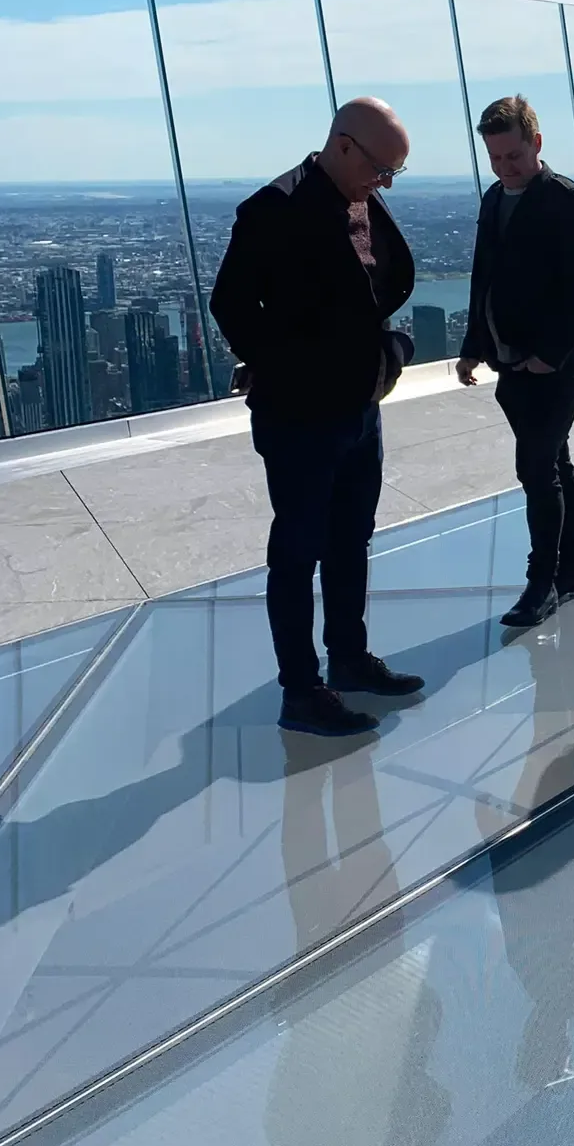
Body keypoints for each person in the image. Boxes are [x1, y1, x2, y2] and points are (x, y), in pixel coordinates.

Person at [211, 98, 425, 737]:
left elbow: (369, 291)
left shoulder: (361, 196)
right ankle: (300, 691)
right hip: (303, 415)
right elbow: (230, 303)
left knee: (350, 537)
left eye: (394, 175)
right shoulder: (275, 208)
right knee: (297, 551)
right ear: (343, 145)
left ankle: (350, 658)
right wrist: (284, 366)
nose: (384, 183)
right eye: (381, 169)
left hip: (360, 406)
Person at [456, 96, 574, 629]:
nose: (504, 168)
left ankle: (542, 583)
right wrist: (474, 343)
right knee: (554, 464)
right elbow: (484, 276)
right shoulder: (494, 199)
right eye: (495, 159)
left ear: (536, 144)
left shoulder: (566, 201)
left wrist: (549, 354)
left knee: (536, 469)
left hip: (554, 368)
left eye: (513, 156)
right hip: (509, 363)